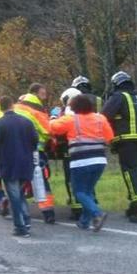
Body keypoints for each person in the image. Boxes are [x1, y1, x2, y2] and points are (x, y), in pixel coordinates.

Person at [50, 94, 114, 231]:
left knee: (79, 192)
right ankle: (84, 222)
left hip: (80, 162)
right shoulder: (100, 118)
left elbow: (54, 128)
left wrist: (54, 116)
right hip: (99, 161)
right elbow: (110, 138)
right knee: (88, 191)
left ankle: (98, 213)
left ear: (73, 108)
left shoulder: (71, 119)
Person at [102, 71, 137, 223]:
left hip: (126, 139)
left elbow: (104, 116)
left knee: (129, 172)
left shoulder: (118, 97)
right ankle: (135, 206)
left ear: (116, 84)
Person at [0, 96, 39, 237]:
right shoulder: (27, 122)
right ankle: (26, 220)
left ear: (1, 108)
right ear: (12, 105)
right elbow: (35, 141)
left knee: (14, 197)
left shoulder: (0, 124)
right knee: (19, 194)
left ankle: (20, 227)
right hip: (26, 164)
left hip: (9, 164)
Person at [14, 83, 56, 223]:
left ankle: (15, 207)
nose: (45, 96)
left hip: (15, 150)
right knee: (40, 180)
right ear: (36, 93)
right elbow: (48, 130)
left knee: (18, 179)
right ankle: (48, 212)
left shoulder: (17, 106)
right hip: (35, 150)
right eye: (43, 93)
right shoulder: (36, 110)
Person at [55, 87, 85, 220]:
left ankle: (77, 208)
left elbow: (59, 131)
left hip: (70, 150)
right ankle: (88, 204)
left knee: (71, 180)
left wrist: (53, 119)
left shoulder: (68, 113)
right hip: (87, 150)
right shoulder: (88, 112)